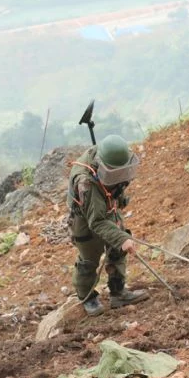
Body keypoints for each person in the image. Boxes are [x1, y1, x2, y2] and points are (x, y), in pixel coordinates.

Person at [66, 134, 149, 316]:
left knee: (117, 249)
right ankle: (87, 297)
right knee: (89, 259)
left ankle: (118, 292)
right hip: (86, 217)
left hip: (107, 206)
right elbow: (96, 221)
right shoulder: (86, 183)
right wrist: (122, 238)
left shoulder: (110, 155)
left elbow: (113, 185)